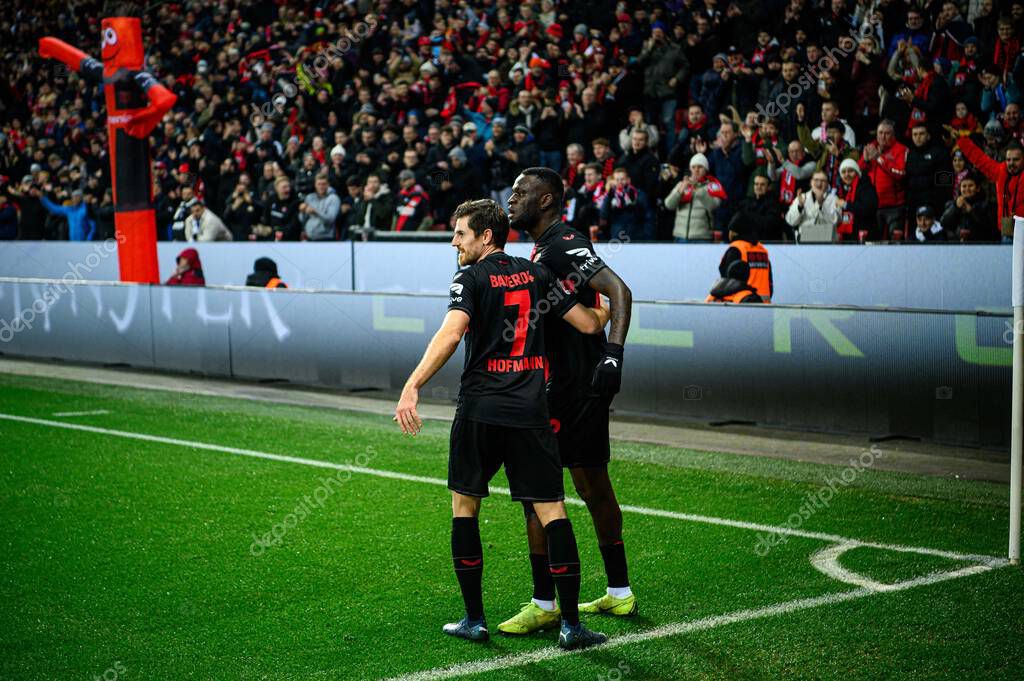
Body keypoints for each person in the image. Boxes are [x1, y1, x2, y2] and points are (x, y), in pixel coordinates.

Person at [393, 198, 610, 650]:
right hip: (530, 413)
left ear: (486, 236)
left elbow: (452, 333)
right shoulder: (537, 274)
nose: (454, 242)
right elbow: (588, 325)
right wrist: (607, 312)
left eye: (460, 233)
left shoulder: (469, 279)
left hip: (481, 410)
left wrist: (412, 385)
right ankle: (571, 626)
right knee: (552, 510)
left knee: (465, 507)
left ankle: (475, 619)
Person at [500, 167, 637, 635]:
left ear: (546, 200)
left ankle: (544, 603)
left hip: (570, 388)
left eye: (521, 192)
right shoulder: (546, 246)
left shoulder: (562, 242)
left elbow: (619, 291)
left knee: (537, 493)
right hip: (575, 385)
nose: (512, 199)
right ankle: (619, 591)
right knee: (592, 485)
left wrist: (614, 355)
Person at [955, 138, 1024, 242]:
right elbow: (979, 159)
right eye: (1008, 159)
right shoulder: (1000, 172)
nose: (1011, 163)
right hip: (1007, 231)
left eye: (1016, 160)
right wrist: (962, 140)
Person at [859, 120, 908, 240]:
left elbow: (900, 173)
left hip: (894, 206)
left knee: (895, 241)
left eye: (887, 133)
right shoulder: (871, 148)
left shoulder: (901, 149)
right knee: (873, 241)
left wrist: (879, 158)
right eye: (880, 133)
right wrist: (865, 161)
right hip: (873, 206)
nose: (883, 136)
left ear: (893, 135)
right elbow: (858, 173)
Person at [664, 152, 727, 242]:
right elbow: (668, 205)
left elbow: (713, 206)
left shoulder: (712, 186)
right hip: (680, 236)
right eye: (693, 167)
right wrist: (679, 191)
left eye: (700, 167)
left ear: (706, 170)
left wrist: (697, 189)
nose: (696, 170)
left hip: (702, 237)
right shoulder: (682, 184)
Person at [717, 222, 773, 302]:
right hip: (764, 304)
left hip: (741, 302)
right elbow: (769, 282)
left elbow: (725, 274)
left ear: (734, 232)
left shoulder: (736, 248)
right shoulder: (762, 250)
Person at [599, 166, 654, 241]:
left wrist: (647, 235)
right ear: (613, 181)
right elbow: (603, 215)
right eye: (617, 179)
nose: (620, 182)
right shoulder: (610, 195)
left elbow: (648, 216)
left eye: (622, 179)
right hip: (616, 236)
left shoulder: (638, 194)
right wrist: (609, 195)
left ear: (628, 180)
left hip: (637, 235)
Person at [940, 173, 998, 241]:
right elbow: (944, 224)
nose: (967, 189)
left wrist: (971, 210)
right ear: (960, 189)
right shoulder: (951, 204)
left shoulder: (987, 205)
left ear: (978, 188)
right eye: (964, 186)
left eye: (970, 186)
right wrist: (955, 207)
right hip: (956, 244)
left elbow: (991, 227)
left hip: (981, 244)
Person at [785, 171, 840, 243]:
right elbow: (790, 221)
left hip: (826, 241)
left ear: (827, 184)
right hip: (804, 241)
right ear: (811, 182)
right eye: (816, 180)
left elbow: (836, 221)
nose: (819, 183)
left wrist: (821, 205)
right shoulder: (802, 197)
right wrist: (800, 207)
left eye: (823, 181)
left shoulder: (834, 199)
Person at [835, 158, 879, 240]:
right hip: (849, 236)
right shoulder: (843, 190)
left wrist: (846, 205)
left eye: (850, 171)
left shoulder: (865, 186)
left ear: (857, 172)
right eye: (843, 172)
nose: (847, 174)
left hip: (865, 235)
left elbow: (868, 208)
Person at [299, 174, 340, 241]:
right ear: (315, 185)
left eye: (323, 184)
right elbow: (302, 220)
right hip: (309, 238)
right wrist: (302, 212)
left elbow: (331, 219)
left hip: (326, 239)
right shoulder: (310, 197)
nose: (321, 187)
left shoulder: (333, 198)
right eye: (319, 184)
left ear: (328, 185)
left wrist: (315, 212)